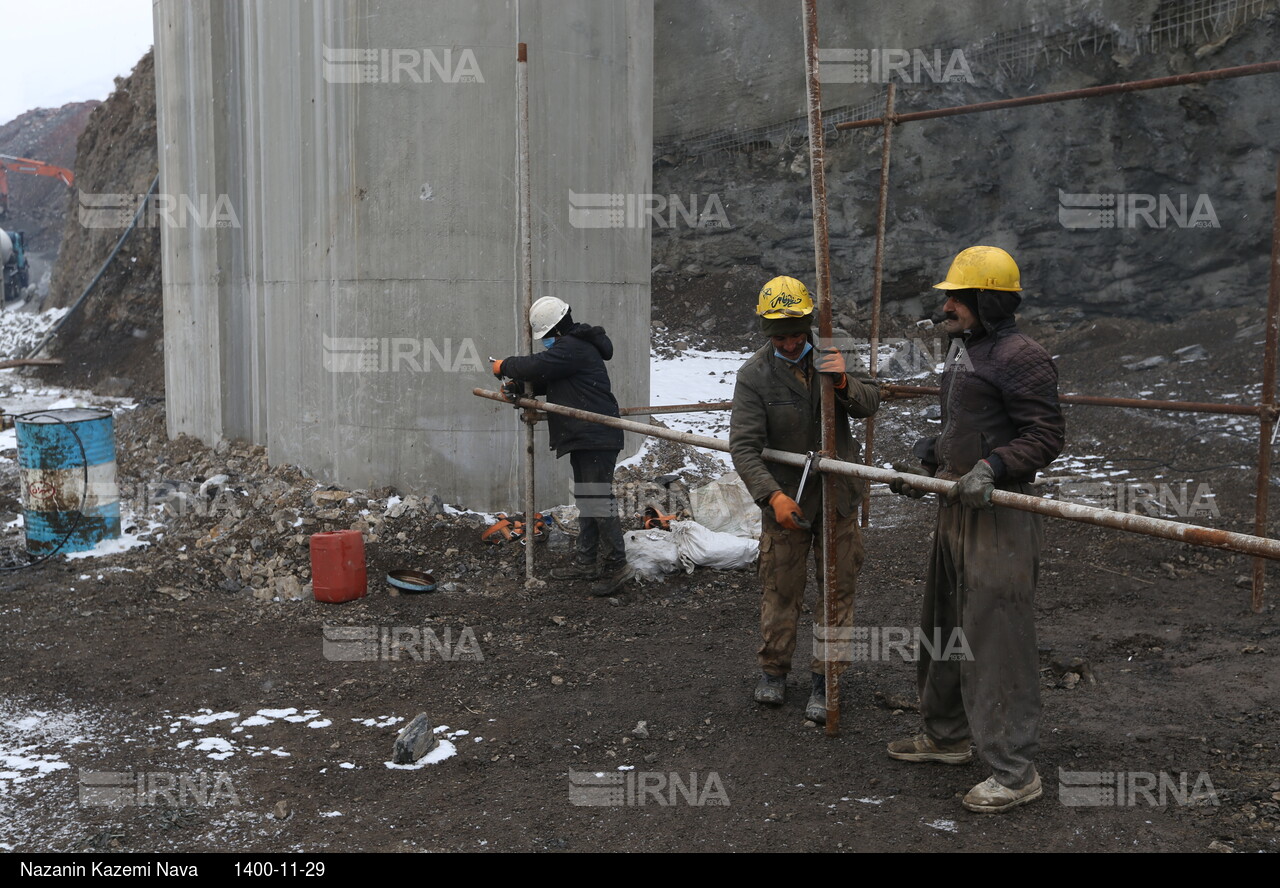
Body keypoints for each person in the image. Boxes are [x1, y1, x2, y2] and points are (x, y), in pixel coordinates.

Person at [886, 245, 1065, 814]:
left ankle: (1015, 772)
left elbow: (1045, 435)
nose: (946, 305)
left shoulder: (1022, 355)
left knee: (995, 638)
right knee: (942, 623)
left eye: (957, 297)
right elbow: (965, 427)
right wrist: (931, 458)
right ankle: (947, 736)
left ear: (989, 300)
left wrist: (992, 467)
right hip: (956, 505)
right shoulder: (965, 350)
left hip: (1000, 512)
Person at [729, 275, 880, 722]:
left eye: (798, 333)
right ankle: (774, 670)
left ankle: (825, 677)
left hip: (838, 499)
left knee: (836, 590)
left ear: (810, 325)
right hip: (786, 500)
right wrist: (771, 496)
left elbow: (871, 402)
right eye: (781, 335)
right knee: (780, 588)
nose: (792, 342)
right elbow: (743, 446)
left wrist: (842, 384)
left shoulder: (834, 355)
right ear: (766, 333)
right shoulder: (754, 375)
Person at [493, 296, 632, 597]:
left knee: (598, 500)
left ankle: (616, 565)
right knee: (588, 500)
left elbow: (537, 366)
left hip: (597, 434)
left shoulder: (574, 347)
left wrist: (506, 366)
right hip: (587, 435)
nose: (545, 344)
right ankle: (587, 562)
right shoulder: (573, 350)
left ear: (554, 331)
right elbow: (548, 379)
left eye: (545, 338)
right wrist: (518, 387)